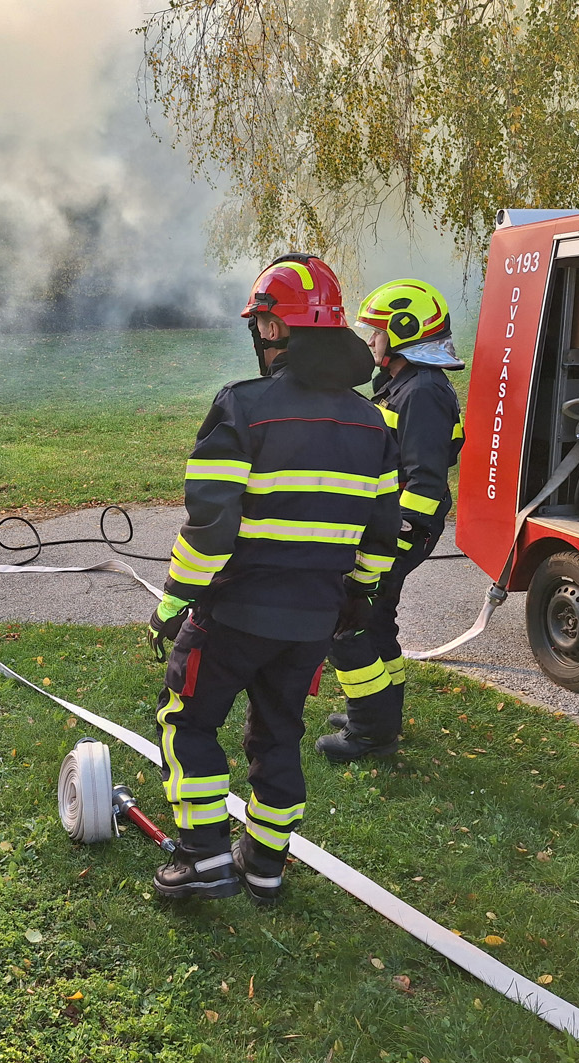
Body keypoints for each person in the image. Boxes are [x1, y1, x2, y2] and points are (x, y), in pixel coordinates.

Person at [146, 254, 400, 903]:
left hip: (232, 615)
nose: (258, 337)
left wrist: (174, 602)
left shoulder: (243, 406)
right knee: (278, 735)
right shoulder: (373, 424)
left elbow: (210, 528)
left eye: (262, 324)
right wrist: (359, 593)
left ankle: (203, 857)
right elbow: (381, 533)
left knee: (187, 721)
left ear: (275, 330)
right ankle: (264, 865)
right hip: (312, 621)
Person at [318, 279, 465, 761]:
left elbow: (423, 482)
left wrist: (395, 542)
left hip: (403, 528)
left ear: (404, 332)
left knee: (348, 622)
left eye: (376, 331)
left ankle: (370, 733)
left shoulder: (421, 391)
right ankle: (381, 710)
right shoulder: (404, 383)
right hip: (392, 526)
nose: (369, 341)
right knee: (378, 619)